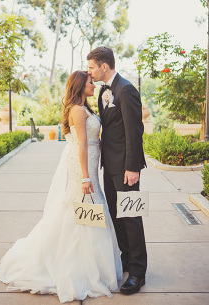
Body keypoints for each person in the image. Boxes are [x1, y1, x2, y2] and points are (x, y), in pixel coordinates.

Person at [0, 71, 122, 303]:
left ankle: (93, 263)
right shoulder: (77, 110)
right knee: (82, 210)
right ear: (79, 85)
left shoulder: (85, 108)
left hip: (90, 164)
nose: (93, 84)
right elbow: (83, 143)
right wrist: (85, 178)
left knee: (89, 209)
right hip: (82, 167)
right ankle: (79, 265)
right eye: (90, 82)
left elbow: (94, 142)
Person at [87, 46, 147, 294]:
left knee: (131, 217)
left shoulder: (126, 89)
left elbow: (135, 131)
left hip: (126, 168)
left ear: (104, 66)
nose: (89, 72)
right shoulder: (104, 91)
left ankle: (137, 273)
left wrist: (133, 167)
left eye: (91, 67)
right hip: (109, 167)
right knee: (115, 213)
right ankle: (125, 259)